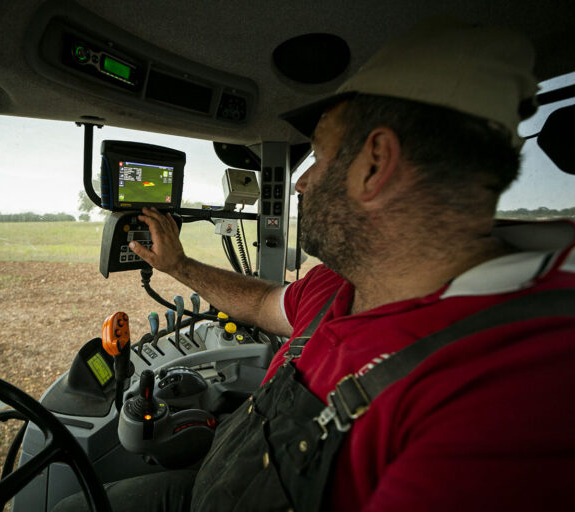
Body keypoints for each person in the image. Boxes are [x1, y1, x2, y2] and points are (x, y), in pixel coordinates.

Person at [58, 17, 575, 512]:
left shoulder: (516, 388)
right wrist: (178, 264)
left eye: (321, 158)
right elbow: (261, 302)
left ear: (374, 165)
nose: (301, 184)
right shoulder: (339, 282)